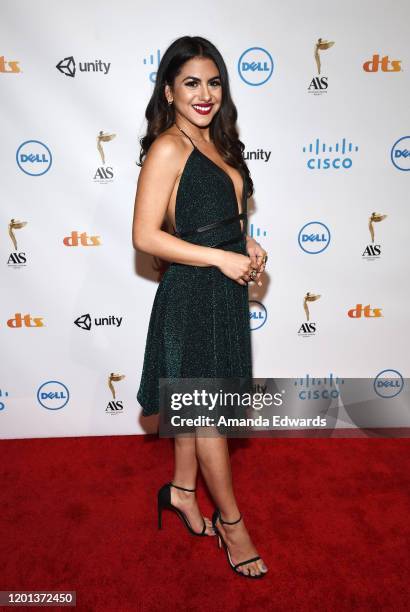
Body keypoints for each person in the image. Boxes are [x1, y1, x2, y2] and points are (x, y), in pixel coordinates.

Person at [132, 35, 268, 578]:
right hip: (193, 295)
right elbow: (145, 235)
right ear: (169, 90)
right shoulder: (170, 147)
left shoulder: (220, 143)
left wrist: (246, 244)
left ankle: (183, 492)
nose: (205, 93)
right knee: (208, 412)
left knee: (195, 404)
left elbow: (223, 217)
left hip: (224, 290)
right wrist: (218, 259)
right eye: (191, 82)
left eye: (213, 82)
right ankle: (233, 526)